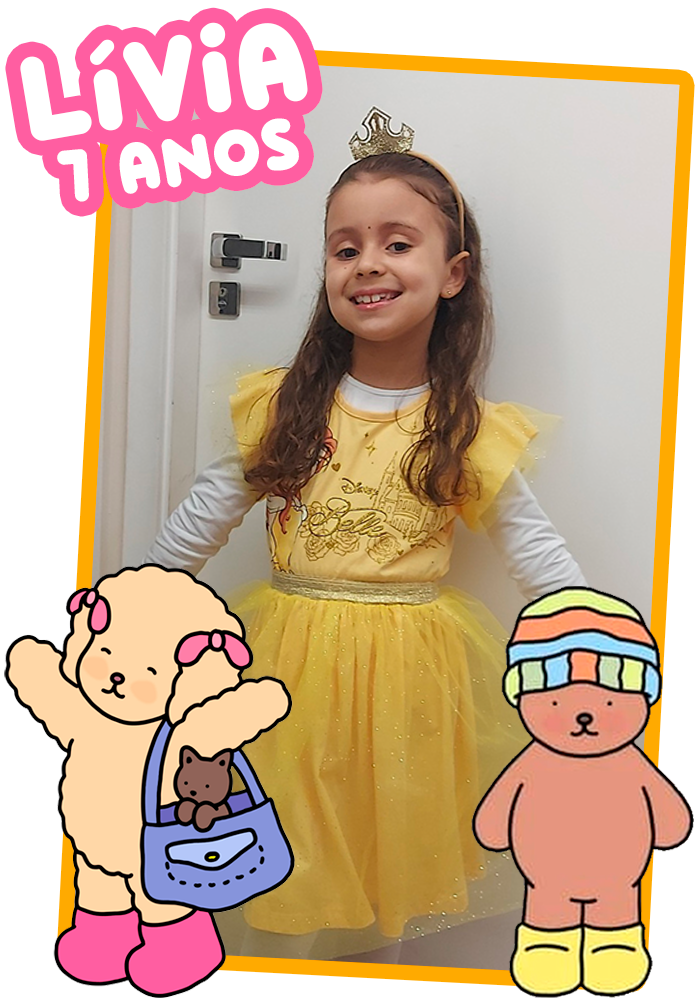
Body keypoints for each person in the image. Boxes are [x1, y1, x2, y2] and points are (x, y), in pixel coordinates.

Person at [147, 146, 586, 963]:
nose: (368, 264)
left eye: (397, 243)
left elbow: (537, 551)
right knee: (279, 863)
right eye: (345, 248)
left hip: (410, 689)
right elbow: (203, 516)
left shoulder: (466, 429)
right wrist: (134, 608)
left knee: (388, 881)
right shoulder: (284, 405)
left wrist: (589, 639)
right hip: (287, 676)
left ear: (453, 274)